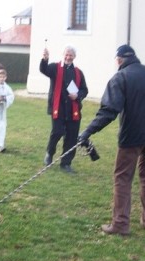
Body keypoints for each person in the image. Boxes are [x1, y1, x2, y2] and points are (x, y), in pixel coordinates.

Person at [78, 44, 145, 235]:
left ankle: (120, 224)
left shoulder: (120, 77)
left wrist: (87, 132)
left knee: (122, 177)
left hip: (132, 136)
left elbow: (108, 111)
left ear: (119, 60)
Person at [40, 45, 88, 173]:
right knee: (57, 132)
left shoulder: (78, 72)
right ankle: (49, 153)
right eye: (66, 54)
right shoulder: (55, 68)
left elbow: (84, 90)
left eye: (71, 55)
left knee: (71, 137)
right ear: (63, 55)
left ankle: (66, 163)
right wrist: (45, 59)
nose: (68, 57)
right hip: (58, 107)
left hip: (73, 109)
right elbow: (44, 70)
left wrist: (77, 96)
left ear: (74, 57)